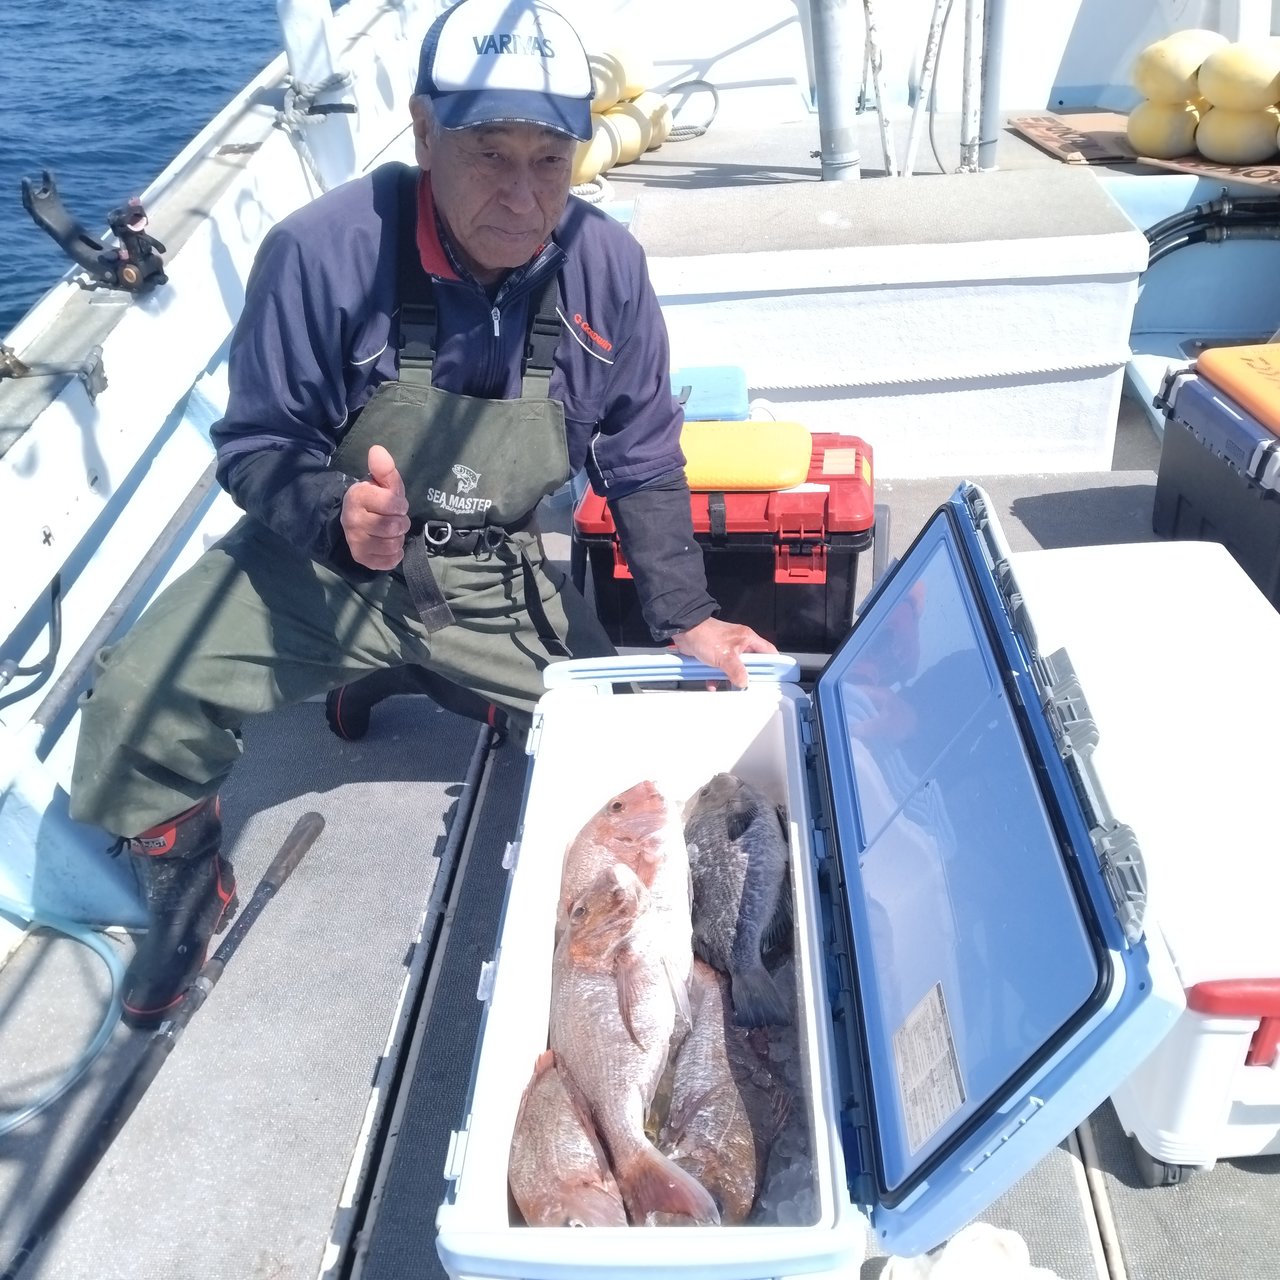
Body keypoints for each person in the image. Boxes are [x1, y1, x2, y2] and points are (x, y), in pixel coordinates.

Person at [68, 0, 776, 1030]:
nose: (522, 196)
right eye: (490, 154)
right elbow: (257, 443)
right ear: (423, 131)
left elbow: (641, 455)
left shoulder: (606, 269)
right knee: (136, 699)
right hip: (327, 563)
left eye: (550, 160)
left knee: (627, 776)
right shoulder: (318, 253)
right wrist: (335, 516)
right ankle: (186, 882)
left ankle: (429, 671)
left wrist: (686, 617)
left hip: (497, 569)